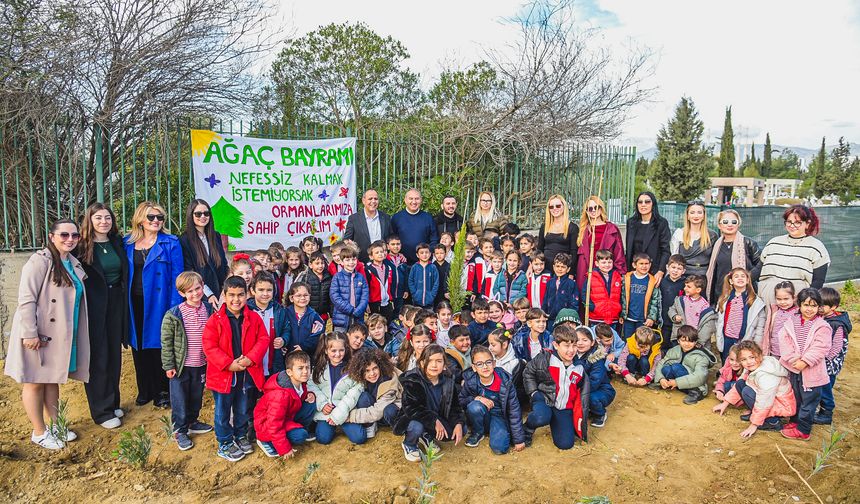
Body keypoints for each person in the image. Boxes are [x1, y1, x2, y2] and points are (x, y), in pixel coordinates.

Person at [5, 219, 90, 450]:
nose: (70, 239)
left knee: (52, 379)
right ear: (52, 237)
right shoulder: (39, 261)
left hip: (60, 333)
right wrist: (30, 333)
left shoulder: (71, 262)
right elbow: (26, 299)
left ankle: (55, 426)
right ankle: (39, 432)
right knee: (34, 382)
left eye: (74, 235)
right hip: (38, 333)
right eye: (64, 235)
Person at [202, 275, 271, 462]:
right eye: (231, 295)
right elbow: (209, 346)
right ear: (224, 295)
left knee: (242, 408)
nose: (236, 299)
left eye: (240, 295)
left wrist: (250, 358)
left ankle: (240, 435)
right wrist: (228, 363)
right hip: (223, 376)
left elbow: (263, 339)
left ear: (247, 295)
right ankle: (225, 442)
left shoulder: (254, 317)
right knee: (222, 411)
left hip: (246, 374)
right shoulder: (215, 320)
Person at [124, 201, 184, 408]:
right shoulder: (127, 243)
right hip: (134, 301)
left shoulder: (171, 243)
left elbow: (178, 277)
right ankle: (145, 389)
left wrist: (174, 307)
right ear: (140, 219)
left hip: (160, 302)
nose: (156, 221)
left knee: (159, 346)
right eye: (151, 217)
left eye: (160, 217)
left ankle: (162, 391)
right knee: (138, 345)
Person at [76, 203, 127, 428]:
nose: (104, 222)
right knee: (99, 356)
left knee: (114, 353)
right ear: (90, 220)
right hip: (94, 305)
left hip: (117, 302)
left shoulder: (117, 242)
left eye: (107, 217)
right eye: (98, 218)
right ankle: (102, 411)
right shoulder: (81, 245)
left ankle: (113, 402)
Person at [160, 271, 215, 450]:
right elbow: (166, 342)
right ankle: (180, 429)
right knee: (180, 398)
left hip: (201, 363)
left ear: (203, 286)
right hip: (181, 366)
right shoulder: (174, 314)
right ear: (182, 293)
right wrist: (169, 365)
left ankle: (192, 421)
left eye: (197, 289)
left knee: (196, 395)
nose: (195, 293)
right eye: (189, 291)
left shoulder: (208, 309)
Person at [394, 344, 465, 461]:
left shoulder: (448, 382)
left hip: (435, 416)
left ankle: (426, 435)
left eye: (439, 361)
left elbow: (455, 407)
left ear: (444, 365)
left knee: (461, 429)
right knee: (417, 426)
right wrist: (434, 421)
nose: (434, 365)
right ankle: (409, 444)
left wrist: (458, 423)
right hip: (414, 417)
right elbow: (412, 408)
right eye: (430, 360)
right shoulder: (413, 379)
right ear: (422, 363)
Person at [777, 288, 832, 440]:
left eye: (813, 306)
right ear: (799, 305)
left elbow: (821, 347)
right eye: (806, 305)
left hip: (812, 372)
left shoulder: (822, 326)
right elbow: (784, 340)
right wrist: (794, 359)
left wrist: (805, 361)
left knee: (809, 400)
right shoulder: (791, 322)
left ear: (818, 307)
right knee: (796, 396)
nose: (809, 309)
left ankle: (803, 430)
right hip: (794, 368)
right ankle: (795, 421)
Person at [522, 324, 589, 449]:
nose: (571, 350)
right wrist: (534, 393)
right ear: (556, 345)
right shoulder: (545, 358)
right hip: (544, 399)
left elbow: (581, 392)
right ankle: (528, 428)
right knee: (542, 416)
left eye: (574, 345)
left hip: (563, 407)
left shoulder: (579, 367)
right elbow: (528, 372)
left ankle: (556, 421)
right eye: (566, 345)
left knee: (565, 444)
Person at [713, 341, 795, 438]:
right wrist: (724, 403)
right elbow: (739, 384)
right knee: (740, 384)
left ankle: (772, 422)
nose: (748, 362)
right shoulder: (751, 367)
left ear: (760, 355)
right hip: (771, 401)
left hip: (781, 406)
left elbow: (764, 401)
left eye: (752, 357)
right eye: (743, 359)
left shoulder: (766, 375)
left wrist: (754, 424)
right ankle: (757, 415)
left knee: (747, 391)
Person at [757, 205, 830, 305]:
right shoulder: (773, 242)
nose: (792, 225)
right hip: (766, 300)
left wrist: (804, 300)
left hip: (795, 302)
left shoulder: (816, 247)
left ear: (807, 223)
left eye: (797, 222)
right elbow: (758, 269)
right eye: (789, 222)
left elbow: (818, 281)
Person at [459, 345, 526, 454]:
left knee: (500, 448)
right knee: (474, 406)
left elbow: (514, 410)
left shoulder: (506, 382)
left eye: (488, 362)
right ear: (474, 367)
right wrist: (477, 398)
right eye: (479, 364)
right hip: (481, 414)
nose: (485, 367)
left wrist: (519, 439)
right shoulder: (471, 381)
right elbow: (461, 400)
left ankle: (495, 430)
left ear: (494, 363)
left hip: (499, 416)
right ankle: (478, 432)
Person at [253, 350, 316, 458]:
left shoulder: (299, 382)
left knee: (310, 404)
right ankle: (266, 441)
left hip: (285, 417)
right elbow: (274, 424)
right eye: (300, 368)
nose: (305, 371)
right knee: (300, 436)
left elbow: (296, 398)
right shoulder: (280, 395)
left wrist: (309, 394)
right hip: (266, 424)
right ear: (289, 372)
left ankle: (299, 429)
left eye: (307, 367)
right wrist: (284, 449)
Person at [308, 332, 367, 445]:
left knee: (360, 438)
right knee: (323, 439)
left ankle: (343, 425)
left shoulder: (352, 369)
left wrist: (340, 413)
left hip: (345, 411)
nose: (338, 354)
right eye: (333, 351)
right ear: (326, 350)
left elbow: (354, 393)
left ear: (346, 349)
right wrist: (322, 404)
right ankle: (329, 426)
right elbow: (312, 385)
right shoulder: (318, 368)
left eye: (341, 350)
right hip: (327, 411)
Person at [705, 209, 762, 303]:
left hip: (744, 294)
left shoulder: (748, 243)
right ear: (719, 225)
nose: (730, 224)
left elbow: (760, 266)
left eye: (734, 222)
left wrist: (745, 279)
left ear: (738, 224)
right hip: (720, 294)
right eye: (725, 222)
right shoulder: (716, 245)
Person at [179, 199, 228, 307]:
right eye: (198, 214)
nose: (203, 216)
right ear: (191, 215)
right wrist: (208, 294)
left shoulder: (216, 236)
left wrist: (225, 291)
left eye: (206, 213)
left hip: (221, 293)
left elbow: (224, 265)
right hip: (200, 295)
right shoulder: (184, 240)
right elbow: (189, 270)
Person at [654, 325, 717, 405]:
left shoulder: (701, 356)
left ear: (695, 342)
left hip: (695, 384)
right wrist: (661, 378)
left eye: (690, 341)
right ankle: (667, 384)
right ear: (678, 341)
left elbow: (700, 377)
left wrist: (677, 382)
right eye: (683, 341)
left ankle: (695, 392)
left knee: (676, 367)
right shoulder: (674, 350)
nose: (687, 344)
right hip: (678, 380)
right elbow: (661, 363)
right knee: (666, 369)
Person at [815, 287, 852, 425]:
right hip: (822, 362)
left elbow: (836, 347)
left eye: (822, 305)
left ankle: (826, 413)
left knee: (825, 388)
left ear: (834, 307)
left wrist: (823, 359)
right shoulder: (825, 318)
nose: (819, 308)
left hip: (829, 364)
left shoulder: (837, 324)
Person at [348, 348, 403, 438]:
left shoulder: (388, 380)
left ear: (380, 366)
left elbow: (377, 412)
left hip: (389, 411)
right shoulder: (361, 379)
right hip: (376, 409)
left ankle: (397, 427)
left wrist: (351, 416)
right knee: (363, 397)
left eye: (375, 368)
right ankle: (370, 425)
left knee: (389, 411)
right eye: (367, 370)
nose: (372, 373)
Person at [715, 268, 766, 362]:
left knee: (742, 363)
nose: (740, 278)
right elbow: (719, 320)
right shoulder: (724, 299)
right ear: (731, 281)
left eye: (743, 276)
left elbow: (760, 326)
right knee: (727, 362)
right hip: (727, 338)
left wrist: (757, 343)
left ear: (747, 280)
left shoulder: (755, 301)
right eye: (736, 276)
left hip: (745, 339)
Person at [575, 196, 626, 287]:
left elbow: (619, 253)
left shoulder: (612, 229)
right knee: (585, 299)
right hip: (585, 272)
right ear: (586, 211)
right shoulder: (584, 229)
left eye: (596, 207)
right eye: (590, 208)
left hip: (605, 271)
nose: (593, 210)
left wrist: (620, 273)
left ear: (601, 208)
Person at [572, 326, 615, 428]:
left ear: (592, 342)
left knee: (591, 398)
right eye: (577, 340)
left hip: (601, 390)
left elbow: (595, 381)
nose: (580, 343)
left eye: (585, 340)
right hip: (581, 387)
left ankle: (600, 413)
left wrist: (578, 392)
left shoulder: (597, 359)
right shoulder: (572, 355)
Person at [625, 191, 671, 281]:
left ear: (653, 204)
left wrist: (661, 271)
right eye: (640, 202)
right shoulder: (631, 222)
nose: (643, 205)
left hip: (653, 271)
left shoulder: (661, 223)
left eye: (647, 202)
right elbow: (629, 249)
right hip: (634, 271)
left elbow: (665, 250)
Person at [670, 200, 717, 286]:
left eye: (699, 212)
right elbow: (674, 257)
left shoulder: (712, 235)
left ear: (704, 215)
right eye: (692, 212)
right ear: (687, 215)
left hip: (704, 278)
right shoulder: (679, 233)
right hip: (683, 277)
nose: (696, 215)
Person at [391, 189, 439, 264]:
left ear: (421, 200)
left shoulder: (428, 218)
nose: (414, 202)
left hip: (423, 262)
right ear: (405, 200)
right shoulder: (396, 218)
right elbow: (392, 239)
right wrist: (396, 253)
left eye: (417, 199)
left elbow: (434, 239)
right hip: (401, 262)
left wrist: (427, 253)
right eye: (411, 199)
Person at [620, 254, 662, 339]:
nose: (644, 266)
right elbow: (622, 297)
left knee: (642, 341)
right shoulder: (627, 278)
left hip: (643, 320)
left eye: (646, 264)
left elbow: (655, 301)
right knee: (627, 341)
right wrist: (621, 314)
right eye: (641, 263)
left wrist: (651, 318)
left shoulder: (652, 281)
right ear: (634, 265)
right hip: (628, 318)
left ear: (650, 265)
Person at [667, 274, 716, 349]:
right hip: (681, 337)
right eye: (685, 286)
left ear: (698, 290)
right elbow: (672, 309)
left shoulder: (704, 306)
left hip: (695, 340)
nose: (685, 288)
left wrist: (699, 342)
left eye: (688, 287)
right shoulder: (681, 300)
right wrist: (674, 316)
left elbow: (708, 326)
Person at [344, 189, 392, 263]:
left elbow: (390, 239)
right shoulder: (354, 219)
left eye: (375, 199)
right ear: (363, 201)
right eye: (370, 199)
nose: (373, 201)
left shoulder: (386, 218)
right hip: (362, 262)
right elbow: (347, 240)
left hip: (383, 262)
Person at [330, 246, 369, 332]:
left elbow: (365, 296)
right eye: (347, 260)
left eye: (353, 259)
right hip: (341, 319)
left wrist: (358, 310)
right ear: (342, 262)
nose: (351, 262)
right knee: (341, 342)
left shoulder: (361, 277)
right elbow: (335, 296)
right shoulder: (337, 277)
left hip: (358, 318)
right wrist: (350, 310)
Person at [582, 249, 623, 327]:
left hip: (613, 316)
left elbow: (621, 295)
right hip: (596, 317)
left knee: (611, 337)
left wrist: (619, 309)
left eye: (609, 262)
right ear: (597, 263)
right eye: (603, 262)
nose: (607, 265)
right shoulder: (591, 276)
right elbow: (584, 294)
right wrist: (592, 307)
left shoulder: (617, 276)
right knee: (597, 338)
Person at [537, 194, 579, 266]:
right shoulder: (544, 226)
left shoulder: (573, 227)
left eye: (558, 206)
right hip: (545, 268)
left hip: (563, 269)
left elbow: (574, 253)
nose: (554, 208)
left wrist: (571, 273)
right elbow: (539, 250)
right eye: (551, 207)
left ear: (564, 206)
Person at [542, 252, 579, 329]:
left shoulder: (571, 284)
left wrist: (570, 318)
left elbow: (574, 303)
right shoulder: (550, 282)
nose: (559, 269)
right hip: (551, 318)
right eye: (557, 266)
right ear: (553, 267)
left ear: (568, 269)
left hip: (565, 320)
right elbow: (545, 300)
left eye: (563, 267)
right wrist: (544, 313)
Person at [761, 282, 798, 358]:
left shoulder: (797, 313)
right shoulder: (774, 311)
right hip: (774, 351)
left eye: (786, 299)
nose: (782, 302)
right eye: (779, 299)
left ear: (793, 298)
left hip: (790, 354)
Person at [659, 255, 687, 350]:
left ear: (683, 271)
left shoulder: (685, 284)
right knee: (664, 344)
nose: (675, 271)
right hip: (664, 320)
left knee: (676, 345)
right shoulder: (662, 282)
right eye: (673, 267)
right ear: (667, 267)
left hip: (679, 322)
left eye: (679, 269)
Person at [294, 252, 332, 322]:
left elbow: (330, 297)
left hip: (323, 314)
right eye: (317, 263)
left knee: (321, 331)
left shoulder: (328, 277)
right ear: (311, 265)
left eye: (322, 263)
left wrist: (330, 313)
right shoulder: (306, 278)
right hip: (309, 313)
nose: (320, 266)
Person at [365, 240, 395, 321]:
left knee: (388, 325)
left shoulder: (388, 268)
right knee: (376, 324)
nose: (380, 254)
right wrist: (367, 303)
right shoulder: (368, 270)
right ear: (371, 256)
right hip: (374, 303)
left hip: (387, 302)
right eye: (377, 252)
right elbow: (366, 287)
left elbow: (392, 284)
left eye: (381, 252)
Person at [408, 243, 440, 309]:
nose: (424, 255)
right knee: (417, 317)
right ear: (417, 255)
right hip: (417, 300)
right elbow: (410, 281)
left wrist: (432, 295)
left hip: (430, 301)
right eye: (422, 253)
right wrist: (414, 294)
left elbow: (436, 282)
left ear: (430, 254)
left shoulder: (433, 267)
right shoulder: (414, 267)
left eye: (426, 252)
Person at [386, 234, 410, 314]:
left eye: (398, 244)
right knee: (389, 314)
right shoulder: (384, 260)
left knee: (399, 313)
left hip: (400, 293)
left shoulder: (403, 260)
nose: (396, 246)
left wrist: (406, 290)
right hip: (389, 294)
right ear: (388, 246)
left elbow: (406, 276)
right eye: (393, 244)